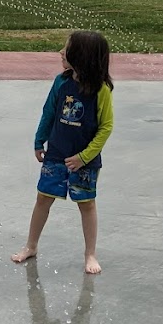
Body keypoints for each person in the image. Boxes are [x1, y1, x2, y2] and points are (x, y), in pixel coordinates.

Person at [11, 30, 114, 275]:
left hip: (84, 161)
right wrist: (39, 141)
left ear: (81, 56)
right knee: (42, 199)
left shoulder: (101, 90)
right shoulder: (61, 82)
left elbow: (106, 127)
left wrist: (84, 157)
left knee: (87, 205)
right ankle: (31, 245)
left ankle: (90, 253)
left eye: (66, 49)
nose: (60, 52)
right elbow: (48, 112)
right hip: (56, 154)